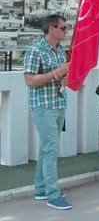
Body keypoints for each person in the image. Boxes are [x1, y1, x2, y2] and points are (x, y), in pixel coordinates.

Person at [23, 14, 72, 210]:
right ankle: (53, 194)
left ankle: (42, 189)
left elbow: (61, 76)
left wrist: (63, 79)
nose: (65, 31)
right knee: (51, 149)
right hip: (42, 106)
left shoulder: (60, 51)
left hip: (58, 103)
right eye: (63, 28)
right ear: (51, 28)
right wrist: (56, 73)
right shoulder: (35, 50)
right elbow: (30, 81)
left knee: (47, 148)